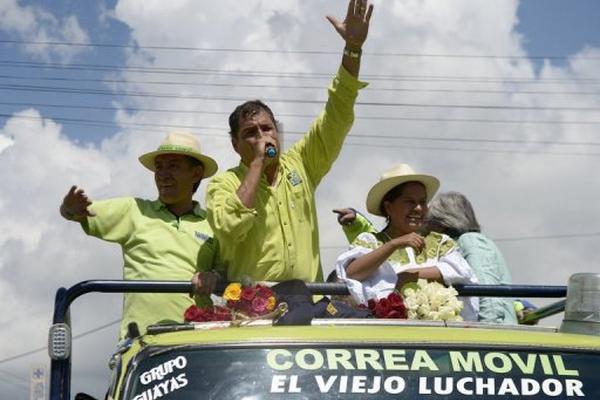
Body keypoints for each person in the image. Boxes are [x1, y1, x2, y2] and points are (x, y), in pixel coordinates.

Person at [206, 0, 374, 283]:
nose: (262, 137)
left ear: (278, 132)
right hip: (250, 312)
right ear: (235, 144)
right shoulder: (223, 185)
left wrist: (353, 49)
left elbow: (337, 113)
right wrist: (258, 164)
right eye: (250, 132)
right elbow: (229, 228)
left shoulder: (302, 163)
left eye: (267, 128)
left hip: (308, 305)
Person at [59, 132, 223, 339]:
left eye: (173, 166)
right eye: (159, 167)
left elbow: (227, 274)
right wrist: (69, 207)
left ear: (196, 173)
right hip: (141, 342)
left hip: (198, 340)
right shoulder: (133, 210)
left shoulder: (214, 224)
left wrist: (214, 276)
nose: (163, 175)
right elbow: (76, 213)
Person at [335, 164, 479, 320]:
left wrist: (409, 275)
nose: (418, 208)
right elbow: (352, 273)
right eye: (409, 202)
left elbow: (461, 271)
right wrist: (393, 244)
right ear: (389, 207)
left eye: (423, 202)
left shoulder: (439, 242)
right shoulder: (369, 242)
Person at [426, 192, 518, 324]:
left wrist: (486, 335)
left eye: (430, 222)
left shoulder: (471, 241)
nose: (426, 228)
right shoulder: (460, 245)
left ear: (443, 223)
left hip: (491, 336)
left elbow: (489, 296)